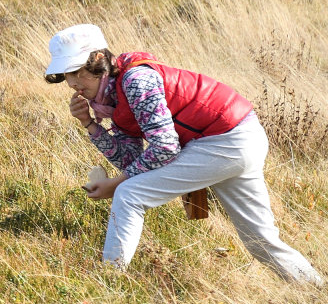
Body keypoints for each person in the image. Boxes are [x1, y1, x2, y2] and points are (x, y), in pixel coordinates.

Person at [45, 23, 320, 282]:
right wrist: (90, 125)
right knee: (260, 241)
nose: (72, 82)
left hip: (225, 141)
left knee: (129, 194)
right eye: (67, 74)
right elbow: (131, 160)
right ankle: (316, 291)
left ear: (99, 61)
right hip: (237, 138)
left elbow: (164, 148)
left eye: (79, 71)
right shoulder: (112, 99)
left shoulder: (136, 81)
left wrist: (115, 185)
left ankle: (108, 280)